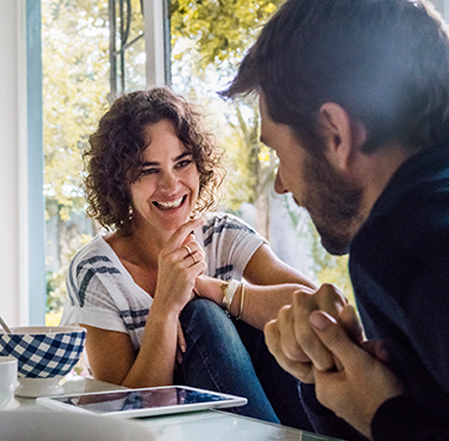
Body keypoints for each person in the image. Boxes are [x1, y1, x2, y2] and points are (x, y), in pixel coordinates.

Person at [221, 0, 449, 439]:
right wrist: (335, 381)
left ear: (335, 134)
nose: (281, 186)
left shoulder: (401, 241)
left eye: (278, 153)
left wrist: (383, 417)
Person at [60, 87, 315, 428]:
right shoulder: (97, 270)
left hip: (274, 416)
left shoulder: (222, 235)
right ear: (121, 181)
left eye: (182, 163)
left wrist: (209, 288)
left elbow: (318, 309)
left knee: (252, 317)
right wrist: (166, 308)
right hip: (165, 431)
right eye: (148, 170)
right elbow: (123, 417)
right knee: (202, 316)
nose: (171, 185)